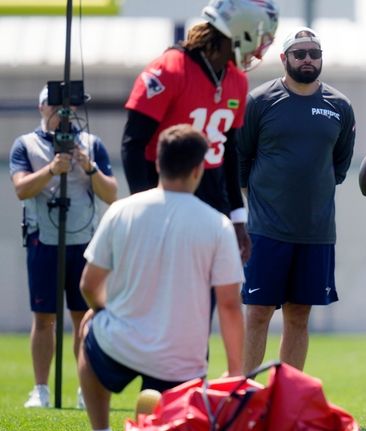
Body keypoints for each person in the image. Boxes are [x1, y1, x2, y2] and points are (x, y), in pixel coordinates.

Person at [77, 124, 246, 431]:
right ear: (198, 170)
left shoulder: (121, 211)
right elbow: (230, 305)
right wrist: (236, 372)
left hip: (121, 344)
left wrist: (100, 309)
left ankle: (101, 428)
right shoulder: (218, 225)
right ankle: (157, 416)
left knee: (88, 329)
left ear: (157, 163)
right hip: (183, 362)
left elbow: (88, 285)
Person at [121, 0, 280, 263]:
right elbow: (133, 143)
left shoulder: (237, 80)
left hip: (211, 189)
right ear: (242, 29)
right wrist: (145, 206)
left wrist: (238, 216)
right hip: (164, 186)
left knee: (205, 292)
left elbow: (229, 150)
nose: (261, 47)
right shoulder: (168, 69)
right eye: (260, 37)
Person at [237, 26, 356, 373]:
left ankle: (285, 399)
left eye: (314, 53)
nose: (307, 59)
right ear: (284, 58)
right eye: (300, 53)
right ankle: (243, 393)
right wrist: (262, 199)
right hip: (265, 231)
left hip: (315, 232)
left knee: (299, 315)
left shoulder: (339, 106)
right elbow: (241, 159)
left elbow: (339, 165)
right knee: (258, 313)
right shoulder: (259, 101)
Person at [9, 85, 118, 409]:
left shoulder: (91, 144)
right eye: (58, 106)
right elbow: (21, 189)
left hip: (83, 242)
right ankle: (41, 389)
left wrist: (88, 167)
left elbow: (110, 193)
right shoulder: (25, 145)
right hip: (43, 239)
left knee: (83, 316)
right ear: (43, 107)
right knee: (44, 317)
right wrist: (51, 170)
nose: (65, 113)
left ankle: (86, 388)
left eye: (71, 107)